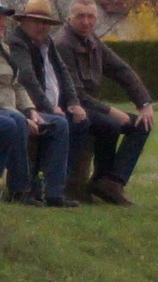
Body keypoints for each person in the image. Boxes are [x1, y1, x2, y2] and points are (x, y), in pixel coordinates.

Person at [54, 0, 153, 205]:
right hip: (69, 108)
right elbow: (75, 94)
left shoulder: (92, 42)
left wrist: (144, 103)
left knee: (142, 124)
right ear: (70, 18)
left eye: (91, 16)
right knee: (110, 124)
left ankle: (112, 181)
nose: (86, 22)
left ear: (96, 19)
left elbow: (121, 70)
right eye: (80, 16)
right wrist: (110, 110)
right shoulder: (63, 44)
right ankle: (100, 180)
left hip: (90, 107)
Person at [6, 0, 90, 207]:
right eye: (36, 21)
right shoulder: (17, 42)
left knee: (81, 122)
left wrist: (74, 102)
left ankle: (58, 186)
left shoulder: (48, 43)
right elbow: (27, 79)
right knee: (59, 124)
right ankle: (48, 188)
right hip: (27, 106)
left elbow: (63, 72)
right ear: (23, 21)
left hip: (52, 106)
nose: (41, 26)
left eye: (45, 22)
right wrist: (49, 108)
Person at [0, 0, 47, 205]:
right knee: (15, 121)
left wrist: (31, 110)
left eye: (4, 18)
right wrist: (20, 115)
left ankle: (54, 189)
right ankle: (19, 189)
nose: (3, 22)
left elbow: (18, 84)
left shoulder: (3, 48)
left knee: (58, 124)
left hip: (12, 109)